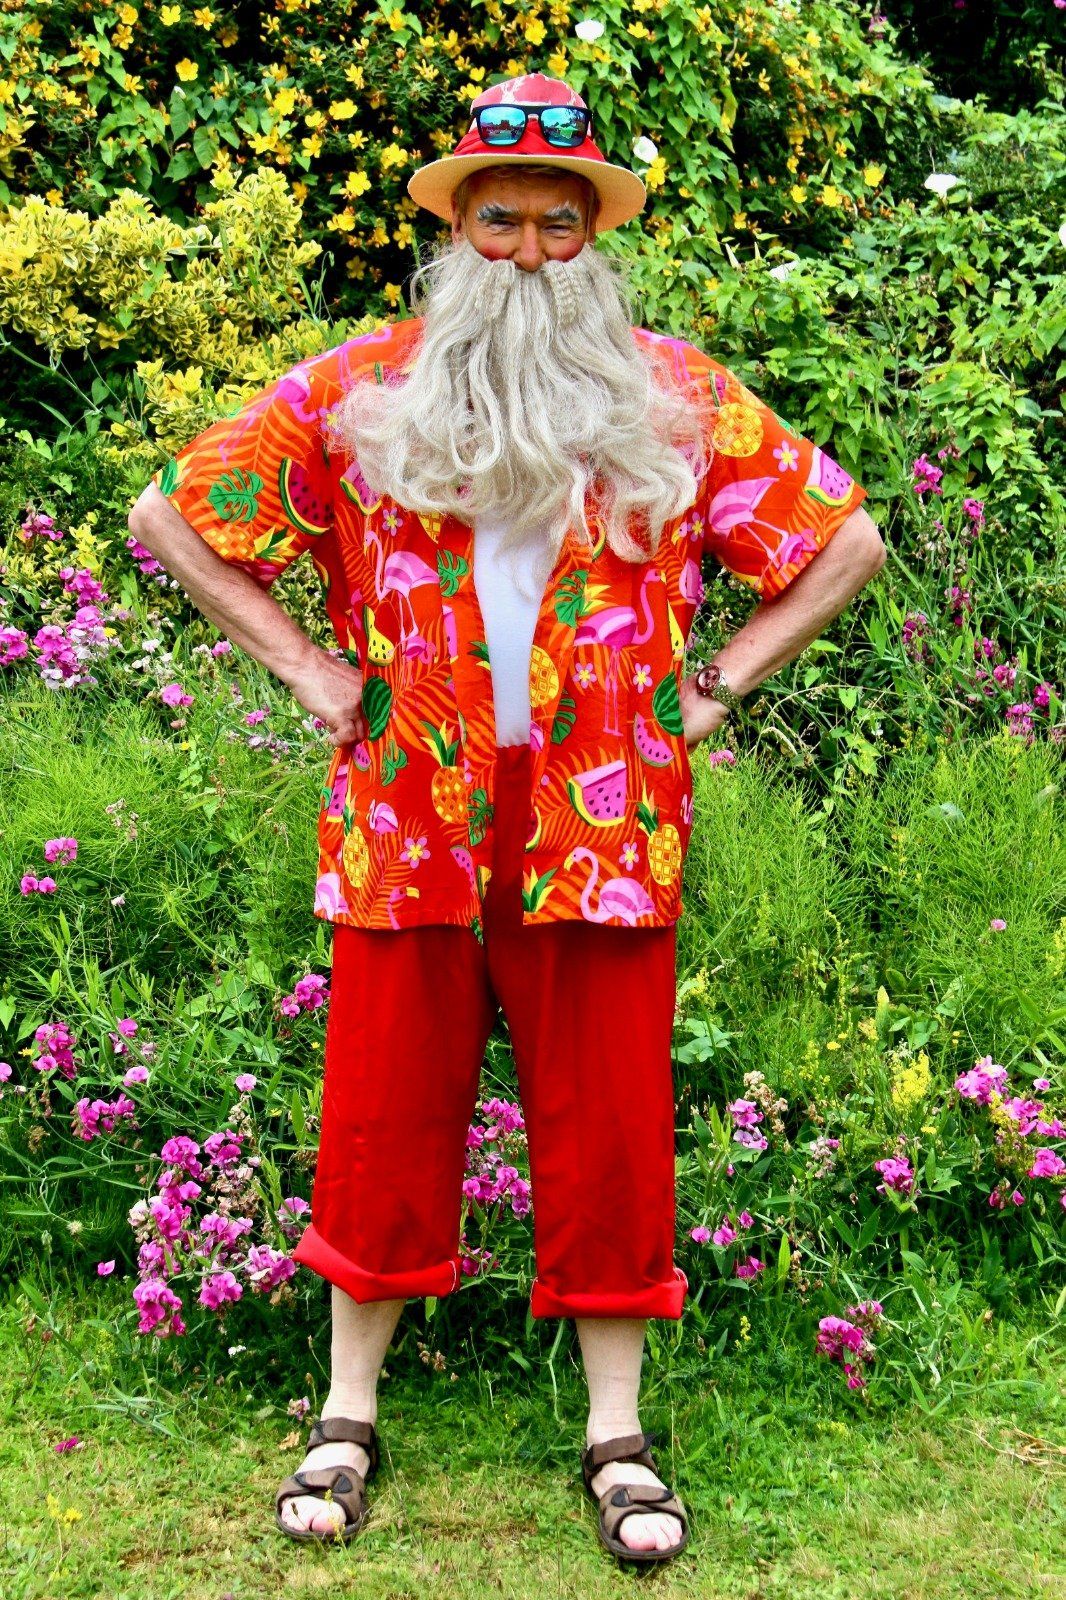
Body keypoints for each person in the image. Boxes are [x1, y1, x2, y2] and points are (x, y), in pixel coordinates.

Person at [128, 70, 885, 1566]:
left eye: (556, 222)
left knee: (608, 1124)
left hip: (603, 821)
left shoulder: (668, 394)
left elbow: (839, 538)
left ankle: (617, 1437)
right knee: (379, 1113)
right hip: (408, 803)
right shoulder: (360, 388)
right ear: (453, 230)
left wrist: (719, 685)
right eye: (497, 219)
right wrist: (312, 675)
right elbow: (172, 517)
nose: (526, 249)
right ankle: (345, 1416)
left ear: (593, 235)